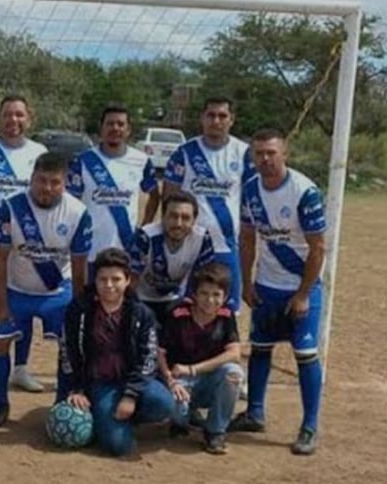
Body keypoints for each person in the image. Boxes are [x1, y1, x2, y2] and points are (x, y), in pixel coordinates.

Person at [228, 128, 328, 456]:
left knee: (305, 354)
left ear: (285, 153)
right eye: (259, 154)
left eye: (272, 153)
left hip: (301, 288)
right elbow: (247, 238)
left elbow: (317, 249)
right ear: (252, 157)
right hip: (266, 286)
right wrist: (246, 281)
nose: (266, 160)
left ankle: (309, 426)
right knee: (259, 348)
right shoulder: (250, 190)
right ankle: (255, 412)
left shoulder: (304, 192)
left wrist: (302, 295)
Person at [0, 152, 91, 427]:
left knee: (70, 347)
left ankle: (61, 402)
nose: (47, 188)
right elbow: (0, 260)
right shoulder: (9, 208)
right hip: (15, 288)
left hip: (57, 292)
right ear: (31, 179)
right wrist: (0, 303)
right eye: (41, 181)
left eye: (54, 182)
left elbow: (80, 267)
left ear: (64, 183)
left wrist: (81, 308)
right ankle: (0, 403)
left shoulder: (78, 212)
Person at [57, 247, 174, 457]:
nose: (109, 285)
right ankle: (105, 417)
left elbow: (148, 358)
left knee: (164, 404)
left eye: (116, 279)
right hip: (101, 384)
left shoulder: (141, 313)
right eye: (103, 279)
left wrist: (130, 396)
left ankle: (119, 416)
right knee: (119, 446)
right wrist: (77, 388)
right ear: (96, 280)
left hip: (133, 380)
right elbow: (68, 351)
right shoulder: (79, 310)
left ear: (127, 280)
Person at [0, 95, 48, 392]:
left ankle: (20, 367)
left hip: (29, 242)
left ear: (29, 118)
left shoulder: (39, 152)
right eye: (7, 115)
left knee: (22, 305)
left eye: (19, 115)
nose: (13, 120)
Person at [164, 97, 255, 312]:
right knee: (186, 309)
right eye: (211, 115)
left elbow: (252, 199)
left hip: (227, 246)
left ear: (231, 120)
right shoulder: (184, 153)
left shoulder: (244, 153)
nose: (216, 121)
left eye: (222, 116)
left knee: (226, 312)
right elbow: (169, 197)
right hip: (191, 246)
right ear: (202, 118)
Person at [159, 263, 244, 455]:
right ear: (194, 294)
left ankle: (215, 431)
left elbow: (234, 353)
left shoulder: (226, 316)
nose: (209, 300)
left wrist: (193, 369)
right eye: (204, 293)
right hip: (180, 381)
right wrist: (170, 381)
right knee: (175, 409)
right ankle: (182, 419)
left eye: (216, 295)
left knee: (234, 373)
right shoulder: (178, 314)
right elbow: (160, 352)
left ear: (225, 297)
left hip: (207, 378)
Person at [67, 105, 160, 281]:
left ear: (128, 130)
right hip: (90, 248)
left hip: (125, 249)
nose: (115, 128)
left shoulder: (141, 161)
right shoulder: (83, 161)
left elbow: (154, 195)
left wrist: (144, 227)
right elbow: (70, 201)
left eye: (120, 124)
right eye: (110, 124)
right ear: (101, 128)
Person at [128, 191, 216, 328]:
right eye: (173, 216)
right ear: (163, 217)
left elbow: (205, 280)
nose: (178, 223)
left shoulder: (202, 238)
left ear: (194, 220)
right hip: (142, 299)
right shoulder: (145, 236)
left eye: (185, 218)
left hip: (176, 300)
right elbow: (131, 281)